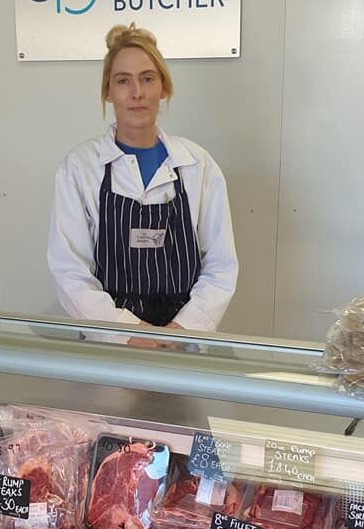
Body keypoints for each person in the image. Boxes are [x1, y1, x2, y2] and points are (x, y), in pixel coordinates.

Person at [47, 23, 238, 334]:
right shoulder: (79, 169)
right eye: (123, 81)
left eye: (147, 79)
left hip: (183, 341)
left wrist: (181, 330)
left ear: (163, 87)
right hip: (110, 342)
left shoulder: (198, 165)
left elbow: (221, 266)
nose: (136, 92)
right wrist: (129, 333)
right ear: (108, 91)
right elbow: (69, 273)